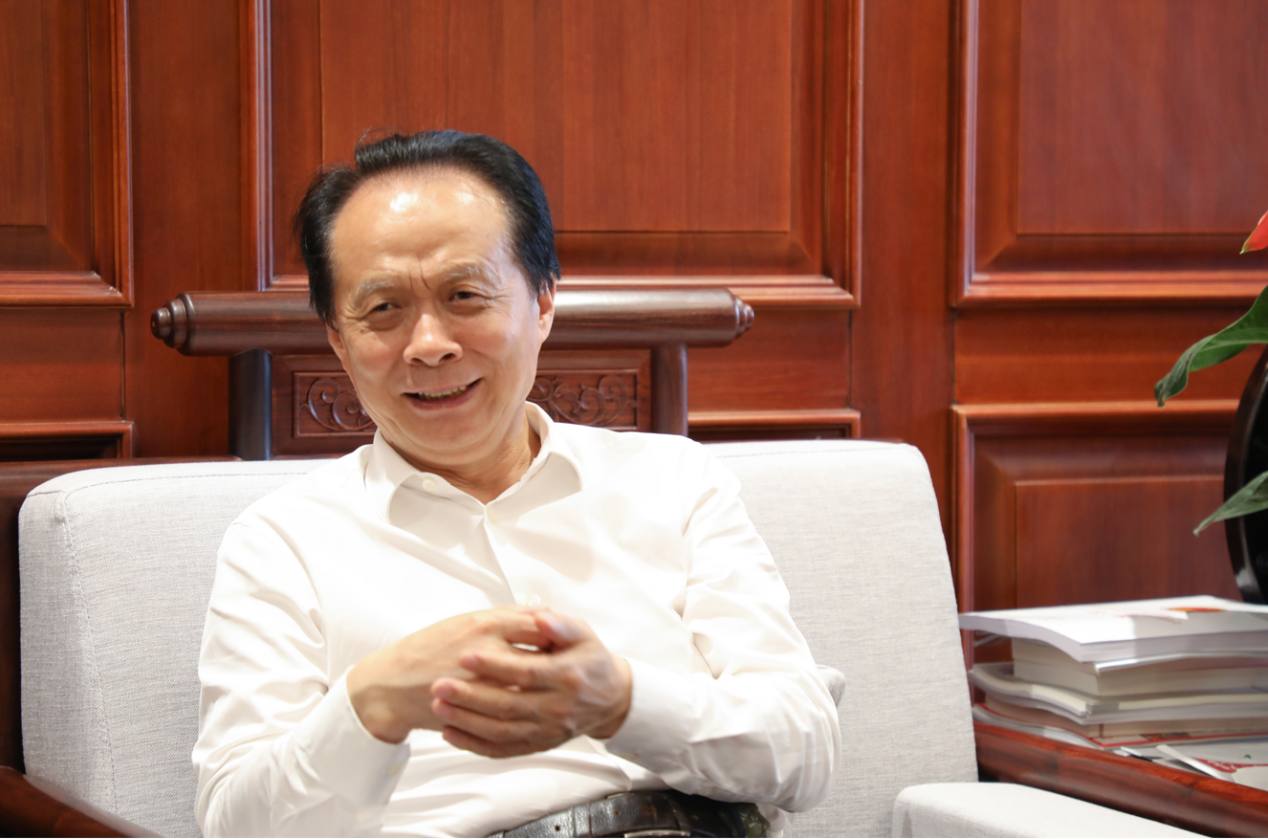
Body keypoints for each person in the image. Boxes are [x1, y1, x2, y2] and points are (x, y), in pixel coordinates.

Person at [192, 130, 840, 838]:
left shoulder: (675, 482)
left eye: (465, 294)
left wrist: (620, 703)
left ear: (544, 302)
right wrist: (372, 702)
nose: (429, 344)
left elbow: (803, 754)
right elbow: (235, 825)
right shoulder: (282, 541)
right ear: (339, 343)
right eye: (382, 309)